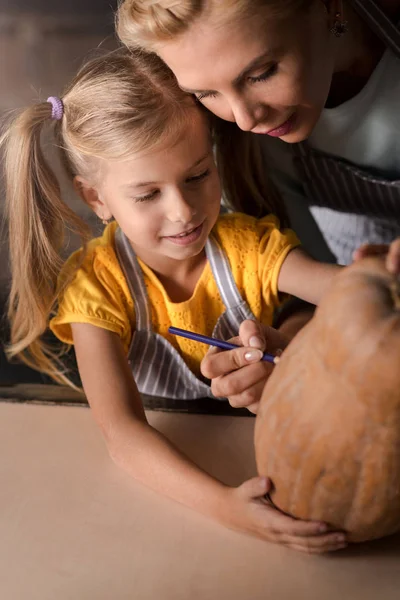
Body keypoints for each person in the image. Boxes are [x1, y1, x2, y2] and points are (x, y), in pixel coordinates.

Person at [3, 47, 354, 553]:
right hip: (178, 479)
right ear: (96, 197)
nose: (184, 211)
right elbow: (123, 434)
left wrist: (299, 344)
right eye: (148, 195)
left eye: (197, 177)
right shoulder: (96, 287)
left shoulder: (246, 245)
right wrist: (227, 508)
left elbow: (339, 291)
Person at [116, 0, 400, 410]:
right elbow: (310, 290)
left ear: (329, 8)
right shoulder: (239, 144)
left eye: (261, 73)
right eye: (206, 92)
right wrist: (290, 347)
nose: (245, 118)